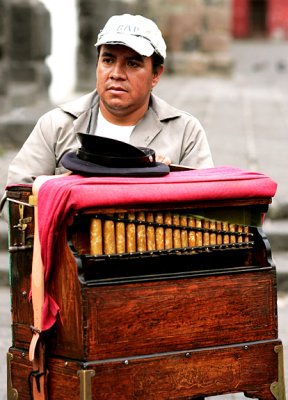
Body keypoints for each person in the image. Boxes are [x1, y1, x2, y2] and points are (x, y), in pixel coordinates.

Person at [0, 13, 213, 218]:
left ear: (156, 75)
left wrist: (163, 178)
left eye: (132, 63)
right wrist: (67, 186)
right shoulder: (57, 125)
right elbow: (13, 204)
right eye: (108, 60)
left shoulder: (185, 132)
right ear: (97, 64)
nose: (116, 74)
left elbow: (208, 211)